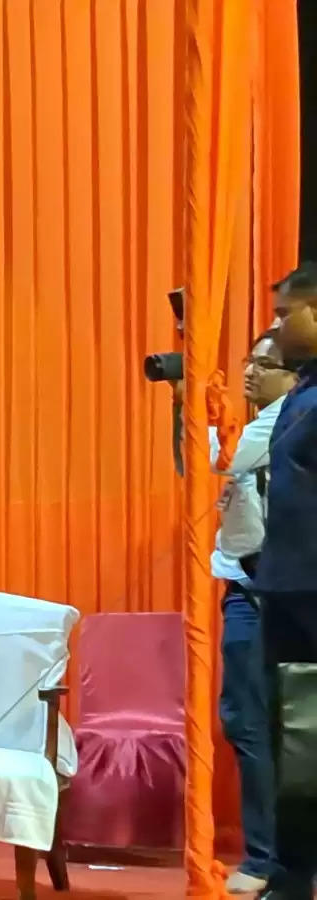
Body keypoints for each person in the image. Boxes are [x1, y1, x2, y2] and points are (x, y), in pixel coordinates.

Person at [211, 331, 298, 895]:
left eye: (263, 364)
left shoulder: (288, 418)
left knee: (288, 726)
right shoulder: (255, 428)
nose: (250, 372)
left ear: (293, 377)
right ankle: (266, 854)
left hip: (286, 591)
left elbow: (221, 460)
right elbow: (203, 467)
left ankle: (279, 857)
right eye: (248, 360)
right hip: (245, 581)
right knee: (245, 721)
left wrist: (200, 405)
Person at [253, 266, 317, 900]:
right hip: (288, 591)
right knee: (296, 744)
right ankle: (291, 877)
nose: (276, 326)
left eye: (286, 313)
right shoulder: (299, 394)